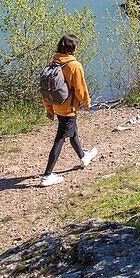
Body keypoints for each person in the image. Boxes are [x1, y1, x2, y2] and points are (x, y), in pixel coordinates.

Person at [39, 34, 98, 187]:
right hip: (69, 108)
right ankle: (47, 175)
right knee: (60, 139)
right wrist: (86, 102)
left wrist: (49, 108)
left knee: (72, 132)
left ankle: (84, 157)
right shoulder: (74, 65)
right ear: (73, 48)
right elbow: (80, 88)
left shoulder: (54, 62)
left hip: (57, 105)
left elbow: (47, 89)